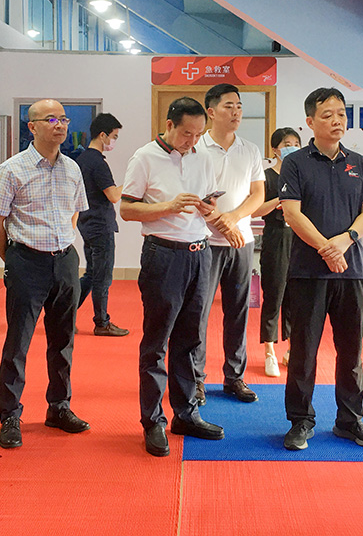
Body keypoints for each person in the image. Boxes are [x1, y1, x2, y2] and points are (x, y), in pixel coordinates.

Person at [121, 97, 227, 457]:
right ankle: (153, 421)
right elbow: (127, 209)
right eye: (186, 134)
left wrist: (209, 208)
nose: (192, 141)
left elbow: (210, 206)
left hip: (200, 253)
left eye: (198, 135)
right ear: (169, 125)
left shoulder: (203, 156)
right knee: (157, 342)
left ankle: (186, 414)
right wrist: (168, 206)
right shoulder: (145, 157)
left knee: (190, 339)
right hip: (163, 254)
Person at [0, 99, 91, 450]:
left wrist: (62, 243)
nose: (60, 125)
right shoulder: (11, 170)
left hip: (65, 261)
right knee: (18, 343)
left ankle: (59, 406)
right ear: (31, 127)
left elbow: (74, 213)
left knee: (63, 340)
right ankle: (10, 415)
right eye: (51, 119)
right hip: (26, 262)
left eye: (63, 119)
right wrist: (14, 260)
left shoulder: (72, 168)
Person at [279, 87, 363, 452]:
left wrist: (345, 241)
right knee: (304, 352)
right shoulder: (295, 162)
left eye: (341, 114)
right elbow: (292, 213)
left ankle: (349, 420)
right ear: (310, 122)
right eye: (327, 115)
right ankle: (300, 421)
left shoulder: (359, 163)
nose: (336, 121)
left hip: (352, 271)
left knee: (351, 351)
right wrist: (326, 247)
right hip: (308, 272)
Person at [194, 84, 265, 405]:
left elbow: (258, 194)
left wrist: (233, 219)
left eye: (239, 106)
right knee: (198, 312)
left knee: (238, 311)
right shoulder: (197, 148)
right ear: (211, 111)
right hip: (203, 241)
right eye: (228, 106)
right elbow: (194, 197)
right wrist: (221, 223)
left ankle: (234, 376)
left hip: (241, 241)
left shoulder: (250, 150)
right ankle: (196, 379)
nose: (236, 112)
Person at [252, 127, 302, 377]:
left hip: (300, 238)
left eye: (296, 144)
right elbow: (256, 210)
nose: (292, 147)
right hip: (275, 237)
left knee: (296, 296)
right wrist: (279, 201)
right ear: (275, 149)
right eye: (287, 144)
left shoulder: (302, 175)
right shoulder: (267, 177)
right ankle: (269, 351)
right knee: (274, 294)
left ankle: (292, 349)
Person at [75, 112, 129, 337]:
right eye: (114, 136)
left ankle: (64, 314)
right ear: (103, 135)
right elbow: (113, 196)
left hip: (87, 223)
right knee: (102, 277)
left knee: (91, 274)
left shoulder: (82, 160)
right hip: (100, 225)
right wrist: (132, 182)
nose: (114, 141)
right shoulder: (97, 163)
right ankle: (102, 322)